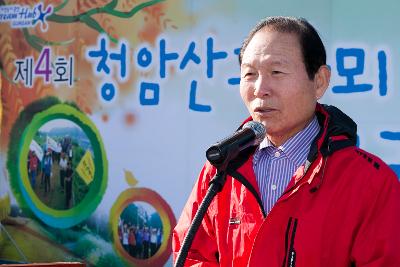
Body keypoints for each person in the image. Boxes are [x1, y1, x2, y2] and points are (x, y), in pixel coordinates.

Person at [172, 16, 400, 267]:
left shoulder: (371, 181)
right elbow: (192, 255)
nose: (260, 88)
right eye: (249, 74)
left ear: (320, 81)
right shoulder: (222, 168)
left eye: (276, 72)